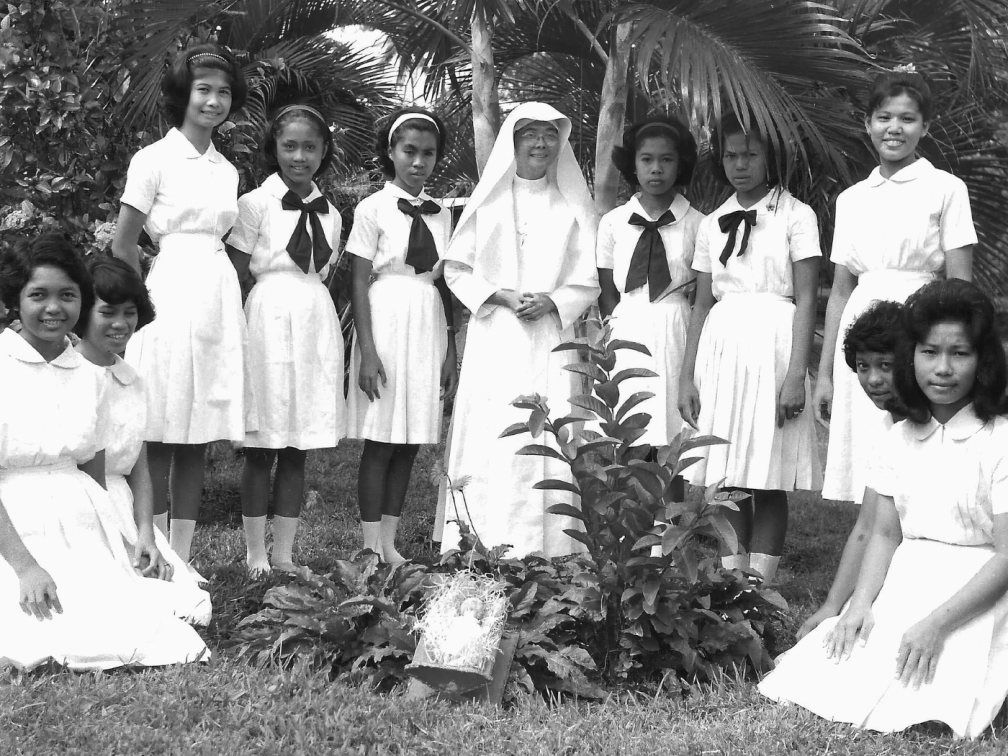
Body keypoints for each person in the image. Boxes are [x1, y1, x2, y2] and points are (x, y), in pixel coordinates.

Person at [760, 279, 1008, 739]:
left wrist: (935, 624)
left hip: (984, 584)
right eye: (930, 352)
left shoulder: (1000, 440)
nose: (944, 369)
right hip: (911, 573)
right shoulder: (897, 439)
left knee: (933, 699)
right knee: (824, 668)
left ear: (984, 360)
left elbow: (1007, 555)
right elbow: (883, 535)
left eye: (960, 354)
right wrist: (856, 604)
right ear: (912, 356)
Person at [0, 235, 208, 670]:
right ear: (14, 300)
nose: (54, 308)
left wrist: (132, 539)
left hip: (79, 522)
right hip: (14, 524)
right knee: (32, 629)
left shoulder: (88, 376)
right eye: (38, 295)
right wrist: (26, 567)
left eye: (68, 295)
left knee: (131, 625)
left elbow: (95, 476)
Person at [435, 101, 600, 559]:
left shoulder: (572, 207)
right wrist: (503, 296)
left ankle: (546, 543)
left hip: (548, 336)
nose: (540, 143)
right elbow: (456, 269)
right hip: (497, 335)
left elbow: (587, 280)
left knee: (544, 430)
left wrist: (553, 300)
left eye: (549, 134)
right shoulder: (487, 203)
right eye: (530, 133)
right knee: (494, 427)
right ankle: (482, 534)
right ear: (513, 139)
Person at [111, 43, 250, 563]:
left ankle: (185, 561)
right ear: (182, 95)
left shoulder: (227, 170)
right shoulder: (154, 159)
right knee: (164, 426)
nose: (213, 101)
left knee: (199, 433)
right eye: (203, 91)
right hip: (166, 294)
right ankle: (155, 551)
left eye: (223, 93)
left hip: (215, 297)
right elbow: (123, 245)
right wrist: (139, 308)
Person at [814, 68, 976, 504]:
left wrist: (954, 352)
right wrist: (827, 374)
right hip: (863, 331)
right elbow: (841, 290)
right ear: (868, 123)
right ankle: (873, 549)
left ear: (925, 126)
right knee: (870, 455)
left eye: (907, 118)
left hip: (919, 325)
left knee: (919, 440)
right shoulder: (851, 199)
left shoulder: (945, 188)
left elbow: (961, 285)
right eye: (884, 117)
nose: (894, 128)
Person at [677, 112, 821, 585]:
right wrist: (687, 375)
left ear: (770, 156)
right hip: (724, 345)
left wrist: (796, 372)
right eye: (731, 155)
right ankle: (731, 580)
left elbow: (805, 300)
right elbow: (700, 304)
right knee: (730, 471)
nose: (740, 164)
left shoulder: (796, 215)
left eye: (751, 154)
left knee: (768, 472)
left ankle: (761, 583)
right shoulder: (713, 222)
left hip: (775, 342)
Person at [227, 104, 345, 575]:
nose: (299, 156)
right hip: (267, 321)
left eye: (310, 147)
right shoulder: (254, 204)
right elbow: (236, 273)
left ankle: (284, 554)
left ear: (323, 152)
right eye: (290, 146)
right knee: (263, 442)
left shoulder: (333, 213)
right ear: (274, 149)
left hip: (313, 321)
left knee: (298, 442)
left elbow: (324, 273)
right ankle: (256, 553)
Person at [345, 107, 457, 566]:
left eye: (428, 154)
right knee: (381, 438)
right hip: (386, 317)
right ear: (391, 152)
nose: (418, 162)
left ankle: (389, 543)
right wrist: (367, 351)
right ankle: (369, 545)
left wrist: (451, 349)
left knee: (410, 438)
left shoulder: (444, 215)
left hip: (426, 319)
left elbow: (446, 283)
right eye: (409, 151)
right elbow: (357, 280)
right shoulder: (371, 208)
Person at [73, 255, 212, 623]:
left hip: (123, 505)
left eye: (130, 312)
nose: (121, 324)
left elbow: (139, 466)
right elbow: (85, 471)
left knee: (188, 605)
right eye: (107, 312)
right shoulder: (73, 376)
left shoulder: (132, 379)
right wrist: (123, 544)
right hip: (81, 507)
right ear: (83, 313)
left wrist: (147, 533)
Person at [596, 115, 705, 458]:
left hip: (677, 331)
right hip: (627, 327)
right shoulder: (613, 222)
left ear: (680, 165)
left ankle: (669, 511)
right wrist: (615, 330)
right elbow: (606, 290)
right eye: (646, 159)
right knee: (627, 433)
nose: (656, 168)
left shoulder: (698, 224)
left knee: (671, 436)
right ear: (633, 165)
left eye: (666, 159)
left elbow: (703, 291)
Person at [797, 300, 903, 639]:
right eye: (863, 367)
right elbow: (866, 528)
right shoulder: (889, 429)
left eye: (886, 365)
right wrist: (831, 606)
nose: (873, 379)